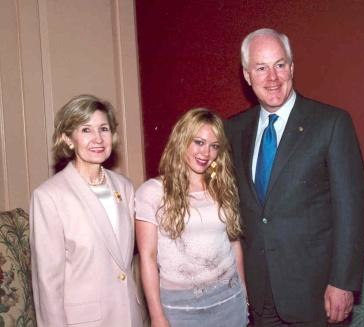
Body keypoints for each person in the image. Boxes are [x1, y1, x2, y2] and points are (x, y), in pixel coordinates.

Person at [225, 28, 364, 326]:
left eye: (280, 65)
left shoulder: (330, 123)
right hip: (259, 295)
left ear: (292, 67)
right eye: (261, 68)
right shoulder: (234, 129)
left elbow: (351, 210)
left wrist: (343, 282)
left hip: (315, 296)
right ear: (247, 75)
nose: (272, 77)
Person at [30, 94, 143, 327]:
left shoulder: (125, 187)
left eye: (103, 128)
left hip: (129, 316)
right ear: (68, 139)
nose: (98, 138)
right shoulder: (49, 196)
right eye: (86, 130)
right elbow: (48, 283)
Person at [135, 108, 248, 327]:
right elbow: (147, 257)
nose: (206, 153)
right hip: (180, 308)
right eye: (199, 142)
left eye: (214, 146)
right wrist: (157, 315)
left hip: (229, 301)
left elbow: (234, 243)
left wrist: (243, 295)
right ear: (181, 140)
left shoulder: (223, 187)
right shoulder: (152, 192)